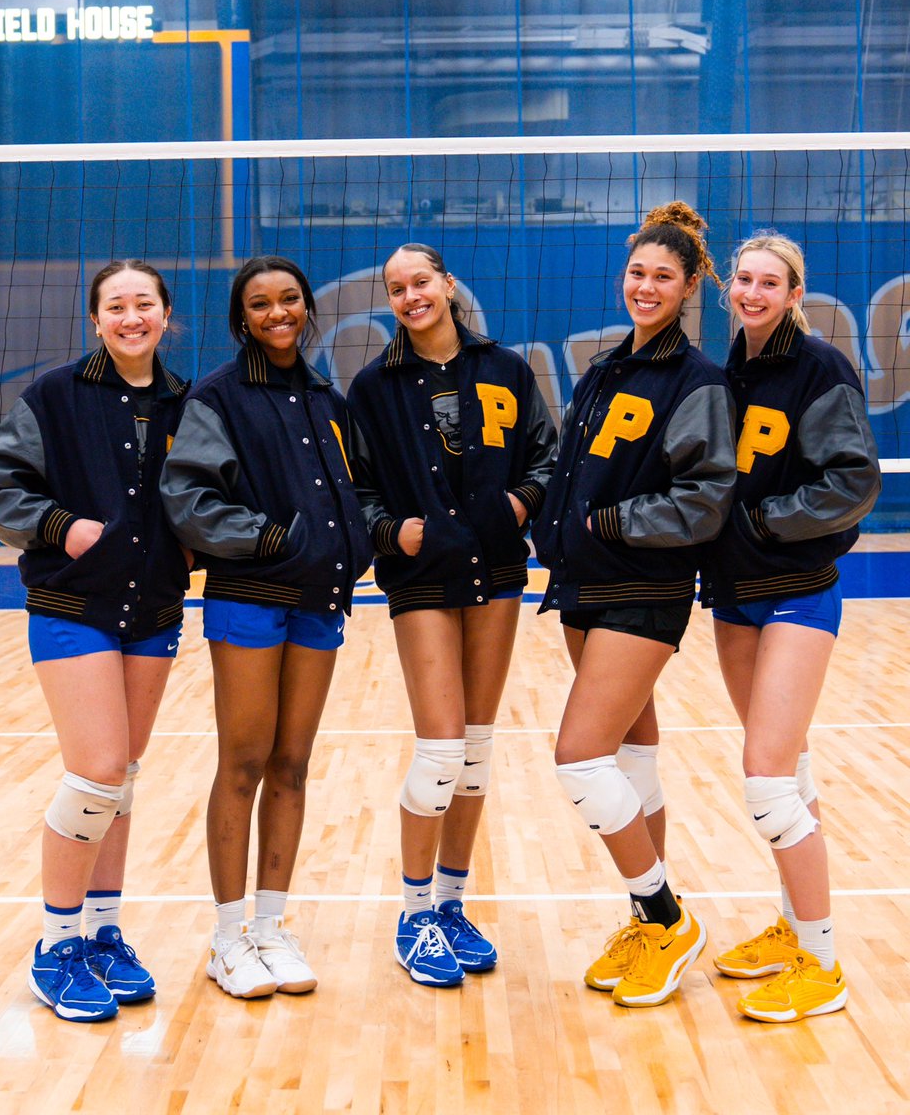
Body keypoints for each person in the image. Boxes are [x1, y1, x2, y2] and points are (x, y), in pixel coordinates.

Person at [0, 261, 190, 1022]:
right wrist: (67, 527)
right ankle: (56, 944)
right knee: (94, 771)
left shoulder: (187, 404)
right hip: (73, 603)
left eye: (144, 304)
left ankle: (102, 933)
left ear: (166, 315)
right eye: (115, 306)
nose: (131, 317)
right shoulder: (55, 395)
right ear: (96, 320)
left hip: (153, 610)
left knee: (121, 776)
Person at [532, 202, 736, 1008]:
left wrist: (611, 521)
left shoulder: (698, 382)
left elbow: (705, 497)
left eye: (662, 277)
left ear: (689, 288)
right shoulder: (604, 369)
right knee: (630, 758)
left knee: (580, 756)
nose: (645, 287)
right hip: (583, 584)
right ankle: (647, 929)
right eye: (636, 273)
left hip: (642, 586)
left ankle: (667, 915)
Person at [160, 255, 371, 1000]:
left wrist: (358, 542)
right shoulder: (217, 396)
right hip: (251, 594)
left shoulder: (323, 396)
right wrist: (273, 540)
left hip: (319, 599)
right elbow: (187, 500)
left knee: (292, 763)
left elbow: (356, 490)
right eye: (260, 304)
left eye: (289, 300)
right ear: (240, 318)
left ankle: (273, 928)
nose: (277, 313)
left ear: (307, 307)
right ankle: (227, 939)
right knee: (244, 760)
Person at [347, 243, 556, 987]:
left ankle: (453, 905)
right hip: (422, 576)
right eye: (397, 288)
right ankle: (414, 914)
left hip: (497, 569)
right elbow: (357, 484)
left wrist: (517, 505)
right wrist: (389, 532)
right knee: (439, 751)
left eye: (421, 282)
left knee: (476, 746)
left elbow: (545, 458)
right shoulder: (373, 387)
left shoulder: (506, 369)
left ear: (448, 285)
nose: (410, 297)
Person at [699, 231, 880, 1023]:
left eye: (770, 282)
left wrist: (767, 524)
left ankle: (826, 964)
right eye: (743, 279)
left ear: (794, 293)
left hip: (798, 589)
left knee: (768, 777)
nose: (752, 292)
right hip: (735, 594)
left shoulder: (821, 369)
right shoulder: (724, 371)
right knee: (792, 771)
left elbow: (853, 480)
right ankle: (793, 928)